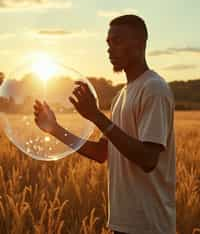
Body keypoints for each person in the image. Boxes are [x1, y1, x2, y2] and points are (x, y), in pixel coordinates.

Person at [33, 15, 176, 234]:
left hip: (149, 226)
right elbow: (102, 152)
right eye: (108, 44)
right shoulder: (121, 95)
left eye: (117, 42)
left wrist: (96, 116)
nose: (110, 50)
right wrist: (54, 128)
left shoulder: (153, 89)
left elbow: (148, 159)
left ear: (139, 44)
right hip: (122, 224)